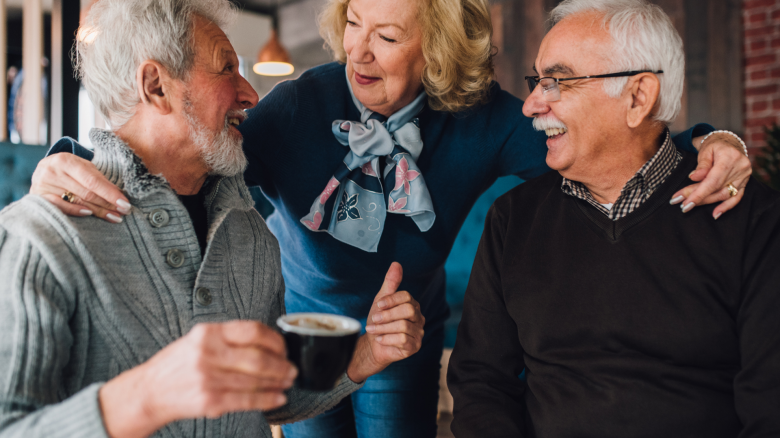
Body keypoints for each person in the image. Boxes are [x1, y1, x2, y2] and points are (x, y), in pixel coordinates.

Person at [28, 0, 753, 435]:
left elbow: (604, 141)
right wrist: (67, 156)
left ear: (435, 48)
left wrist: (711, 143)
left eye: (388, 34)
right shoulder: (294, 107)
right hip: (306, 328)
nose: (356, 49)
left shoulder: (482, 120)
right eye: (352, 21)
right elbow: (180, 153)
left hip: (402, 330)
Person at [0, 1, 426, 437]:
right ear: (156, 86)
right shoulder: (41, 236)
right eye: (227, 69)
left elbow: (270, 388)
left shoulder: (252, 235)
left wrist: (368, 353)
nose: (251, 95)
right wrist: (147, 394)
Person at [447, 1, 780, 437]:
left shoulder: (751, 220)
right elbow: (480, 383)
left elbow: (770, 407)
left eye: (556, 82)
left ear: (637, 98)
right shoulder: (513, 219)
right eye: (537, 81)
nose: (530, 105)